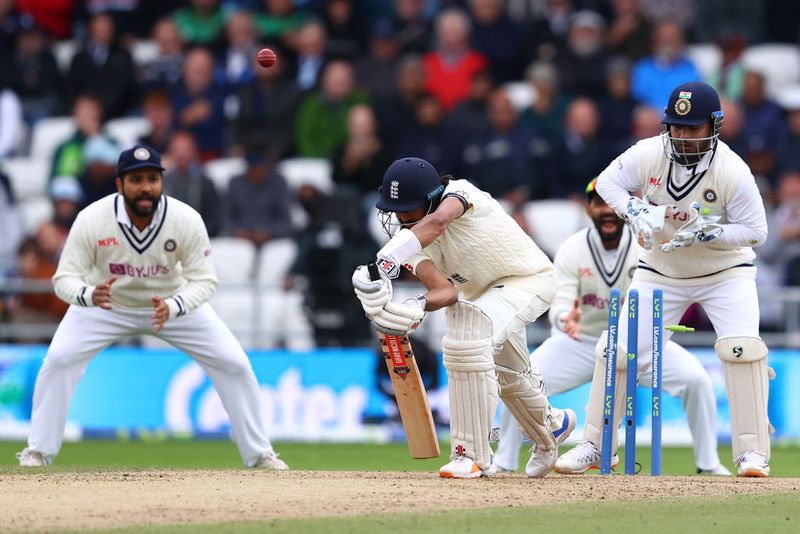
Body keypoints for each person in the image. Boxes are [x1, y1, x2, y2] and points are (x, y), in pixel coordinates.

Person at [16, 144, 287, 470]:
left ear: (162, 182)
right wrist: (90, 295)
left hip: (171, 306)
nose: (145, 187)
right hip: (105, 304)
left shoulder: (185, 219)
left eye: (152, 179)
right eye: (136, 180)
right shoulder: (92, 219)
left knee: (235, 364)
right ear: (120, 185)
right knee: (59, 360)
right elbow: (64, 279)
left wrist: (175, 305)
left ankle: (259, 455)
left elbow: (205, 282)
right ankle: (38, 451)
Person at [556, 81, 771, 477]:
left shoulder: (732, 170)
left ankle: (752, 453)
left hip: (725, 273)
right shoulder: (649, 152)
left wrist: (713, 234)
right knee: (616, 350)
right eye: (677, 127)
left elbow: (757, 230)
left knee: (742, 349)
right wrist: (633, 210)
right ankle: (595, 444)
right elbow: (607, 184)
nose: (683, 137)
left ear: (714, 126)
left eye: (693, 128)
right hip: (661, 270)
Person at [352, 157, 575, 479]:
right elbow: (445, 291)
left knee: (467, 340)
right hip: (482, 297)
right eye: (395, 210)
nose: (401, 218)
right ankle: (551, 429)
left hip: (528, 279)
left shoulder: (460, 193)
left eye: (409, 210)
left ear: (431, 198)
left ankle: (470, 454)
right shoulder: (407, 243)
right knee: (507, 374)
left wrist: (385, 259)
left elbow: (440, 221)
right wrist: (415, 304)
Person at [494, 178, 730, 475]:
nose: (607, 211)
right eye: (598, 203)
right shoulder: (572, 248)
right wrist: (565, 318)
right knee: (520, 383)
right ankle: (504, 461)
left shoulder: (648, 245)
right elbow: (561, 301)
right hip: (580, 342)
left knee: (697, 381)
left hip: (637, 343)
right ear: (588, 209)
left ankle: (708, 464)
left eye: (611, 204)